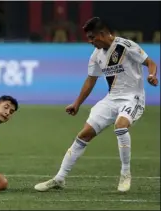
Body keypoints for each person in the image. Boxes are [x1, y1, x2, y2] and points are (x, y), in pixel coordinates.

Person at [34, 17, 158, 192]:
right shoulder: (96, 55)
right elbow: (90, 81)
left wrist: (152, 75)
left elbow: (150, 63)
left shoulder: (125, 46)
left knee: (120, 126)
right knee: (83, 135)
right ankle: (59, 178)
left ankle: (125, 173)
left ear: (102, 34)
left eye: (92, 37)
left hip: (133, 97)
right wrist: (76, 103)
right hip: (111, 99)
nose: (90, 41)